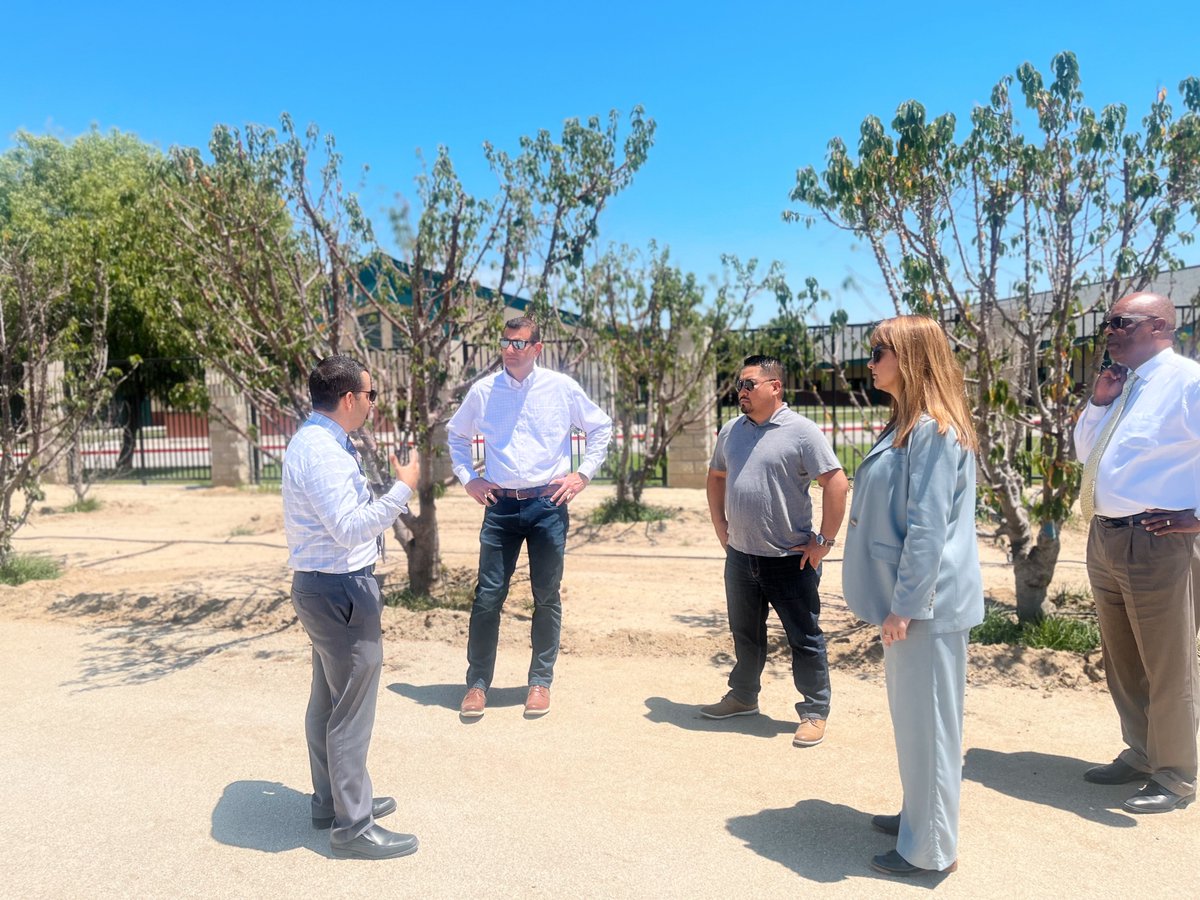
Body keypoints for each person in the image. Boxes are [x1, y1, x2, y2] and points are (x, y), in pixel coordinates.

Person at [842, 315, 982, 877]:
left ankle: (930, 852)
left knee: (931, 725)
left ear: (912, 357)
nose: (870, 362)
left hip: (926, 606)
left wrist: (905, 606)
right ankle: (918, 816)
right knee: (916, 722)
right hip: (911, 603)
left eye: (880, 352)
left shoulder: (934, 429)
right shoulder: (906, 423)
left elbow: (929, 529)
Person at [282, 355, 421, 860]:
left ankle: (332, 801)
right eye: (371, 394)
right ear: (349, 399)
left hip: (326, 588)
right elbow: (348, 527)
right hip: (339, 591)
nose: (372, 403)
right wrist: (403, 488)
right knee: (350, 710)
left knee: (328, 700)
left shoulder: (318, 441)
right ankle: (353, 826)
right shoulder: (323, 451)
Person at [447, 316, 612, 719]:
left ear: (537, 348)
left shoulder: (561, 388)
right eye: (505, 342)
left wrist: (582, 474)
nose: (510, 349)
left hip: (547, 505)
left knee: (546, 595)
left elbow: (601, 427)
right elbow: (456, 435)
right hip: (500, 506)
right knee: (487, 597)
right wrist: (469, 478)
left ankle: (540, 682)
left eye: (519, 343)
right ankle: (477, 684)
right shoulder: (483, 392)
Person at [1073, 291, 1200, 814]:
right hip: (1106, 536)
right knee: (1122, 658)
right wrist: (1099, 404)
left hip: (1158, 542)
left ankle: (1176, 774)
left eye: (1120, 322)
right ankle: (1143, 752)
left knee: (1168, 662)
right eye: (1108, 323)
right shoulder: (1122, 386)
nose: (1109, 331)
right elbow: (1087, 456)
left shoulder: (1187, 382)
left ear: (1160, 327)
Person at [702, 354, 848, 748]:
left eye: (749, 384)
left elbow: (836, 483)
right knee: (745, 634)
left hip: (790, 560)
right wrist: (721, 525)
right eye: (739, 385)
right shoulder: (731, 431)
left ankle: (815, 710)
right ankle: (744, 697)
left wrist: (824, 541)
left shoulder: (802, 432)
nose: (741, 391)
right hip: (741, 557)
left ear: (775, 387)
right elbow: (716, 476)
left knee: (804, 637)